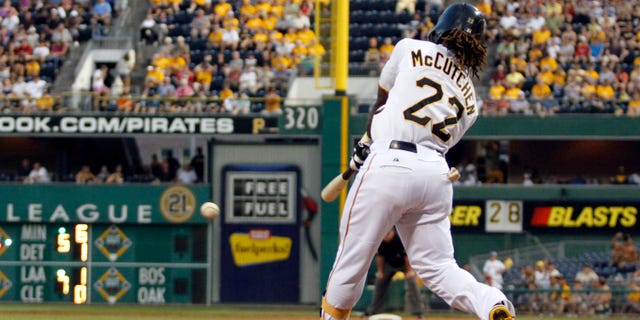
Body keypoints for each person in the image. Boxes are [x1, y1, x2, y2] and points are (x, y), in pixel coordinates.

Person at [320, 4, 515, 320]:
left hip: (388, 161)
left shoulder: (410, 47)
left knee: (351, 258)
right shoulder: (471, 99)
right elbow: (438, 138)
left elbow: (383, 102)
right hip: (435, 174)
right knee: (439, 268)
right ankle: (491, 302)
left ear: (441, 28)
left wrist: (366, 143)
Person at [365, 228, 425, 318]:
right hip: (389, 264)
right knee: (380, 281)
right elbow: (380, 257)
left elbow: (407, 256)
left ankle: (419, 312)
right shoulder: (381, 240)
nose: (386, 236)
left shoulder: (399, 239)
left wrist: (409, 271)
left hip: (404, 264)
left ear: (392, 233)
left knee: (412, 281)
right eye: (384, 234)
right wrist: (380, 271)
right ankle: (373, 311)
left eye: (388, 234)